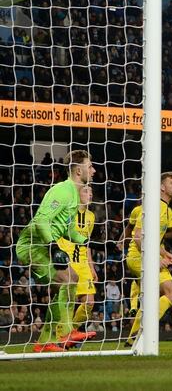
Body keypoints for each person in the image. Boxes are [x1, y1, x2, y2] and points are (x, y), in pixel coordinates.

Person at [15, 149, 96, 352]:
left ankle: (45, 342)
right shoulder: (63, 190)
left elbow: (67, 228)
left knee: (71, 279)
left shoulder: (75, 196)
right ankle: (64, 332)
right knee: (66, 279)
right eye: (90, 166)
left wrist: (86, 240)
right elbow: (42, 220)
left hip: (45, 245)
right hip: (32, 245)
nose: (93, 171)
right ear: (78, 170)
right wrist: (52, 245)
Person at [125, 172, 172, 345]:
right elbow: (139, 237)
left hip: (149, 254)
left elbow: (153, 238)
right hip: (138, 257)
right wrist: (156, 259)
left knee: (162, 295)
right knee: (171, 293)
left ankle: (132, 339)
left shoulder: (165, 209)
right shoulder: (153, 206)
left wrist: (164, 253)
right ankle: (143, 333)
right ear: (162, 187)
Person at [56, 184, 98, 334]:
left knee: (89, 303)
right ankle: (62, 333)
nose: (90, 194)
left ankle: (69, 333)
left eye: (91, 192)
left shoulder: (91, 217)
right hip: (68, 262)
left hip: (83, 263)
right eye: (86, 191)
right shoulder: (67, 212)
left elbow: (87, 244)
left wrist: (91, 267)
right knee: (68, 301)